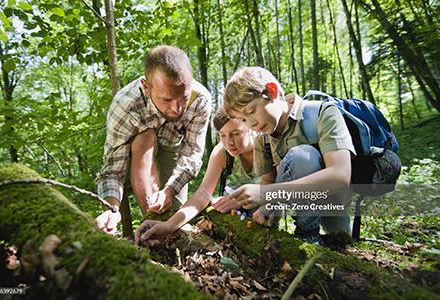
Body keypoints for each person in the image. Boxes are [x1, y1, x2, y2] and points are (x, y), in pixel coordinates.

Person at [223, 66, 355, 243]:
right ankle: (307, 237)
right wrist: (267, 206)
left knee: (302, 157)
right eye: (244, 120)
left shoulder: (323, 113)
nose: (252, 124)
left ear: (272, 91)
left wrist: (268, 194)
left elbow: (341, 176)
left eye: (251, 111)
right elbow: (268, 181)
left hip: (333, 201)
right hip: (302, 214)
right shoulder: (263, 140)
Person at [95, 45, 212, 235]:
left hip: (173, 146)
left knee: (175, 215)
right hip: (139, 150)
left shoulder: (201, 99)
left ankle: (172, 241)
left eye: (183, 97)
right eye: (167, 99)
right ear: (146, 88)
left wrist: (171, 190)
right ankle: (150, 222)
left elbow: (192, 153)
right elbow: (113, 170)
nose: (178, 108)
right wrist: (111, 208)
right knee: (145, 137)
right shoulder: (125, 106)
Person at [136, 109, 269, 246]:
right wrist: (169, 225)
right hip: (235, 210)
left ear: (251, 127)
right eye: (222, 135)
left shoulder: (266, 146)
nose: (229, 142)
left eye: (235, 134)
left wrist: (240, 201)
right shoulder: (222, 152)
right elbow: (203, 194)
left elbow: (274, 187)